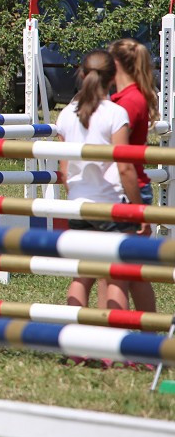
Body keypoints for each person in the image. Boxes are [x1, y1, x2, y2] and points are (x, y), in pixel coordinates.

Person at [57, 50, 142, 312]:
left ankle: (77, 345)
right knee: (116, 277)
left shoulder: (65, 114)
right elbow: (125, 168)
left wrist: (75, 191)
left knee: (81, 277)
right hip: (110, 204)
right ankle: (114, 343)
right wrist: (138, 209)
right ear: (112, 77)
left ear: (82, 74)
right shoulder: (115, 114)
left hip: (78, 204)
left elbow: (63, 169)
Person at [104, 38, 160, 313]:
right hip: (131, 187)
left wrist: (137, 209)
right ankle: (150, 346)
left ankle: (112, 343)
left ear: (115, 64)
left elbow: (122, 161)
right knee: (136, 274)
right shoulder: (131, 98)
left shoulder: (125, 103)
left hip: (127, 190)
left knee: (116, 274)